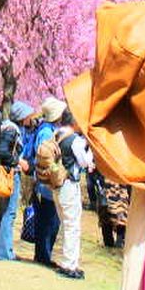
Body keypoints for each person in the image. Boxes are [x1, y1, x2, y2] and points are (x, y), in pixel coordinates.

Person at [0, 101, 32, 260]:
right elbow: (3, 152)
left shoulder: (7, 128)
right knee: (9, 213)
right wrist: (19, 162)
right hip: (11, 174)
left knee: (3, 213)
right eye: (27, 116)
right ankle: (4, 253)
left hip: (5, 173)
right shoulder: (12, 130)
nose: (29, 119)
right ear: (21, 116)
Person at [51, 111, 90, 279]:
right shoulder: (75, 140)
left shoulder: (56, 134)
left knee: (65, 223)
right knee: (72, 225)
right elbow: (84, 162)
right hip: (69, 185)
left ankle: (66, 261)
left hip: (57, 184)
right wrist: (90, 149)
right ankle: (69, 264)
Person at [26, 97, 63, 264]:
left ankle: (43, 255)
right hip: (45, 183)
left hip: (41, 181)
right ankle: (43, 256)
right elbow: (44, 157)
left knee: (46, 220)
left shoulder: (44, 128)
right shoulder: (47, 132)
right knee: (50, 221)